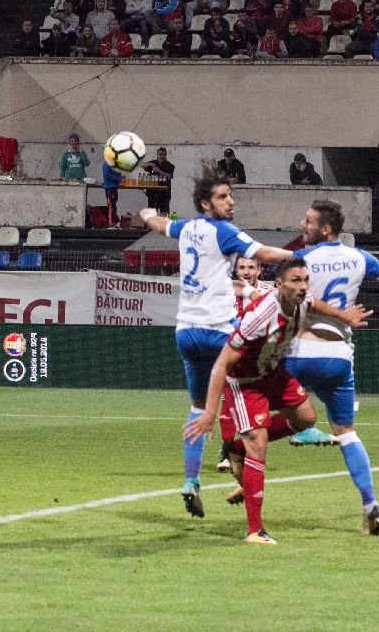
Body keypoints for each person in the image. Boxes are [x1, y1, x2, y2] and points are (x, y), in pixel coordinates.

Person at [137, 166, 298, 518]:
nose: (231, 202)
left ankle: (191, 481)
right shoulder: (223, 231)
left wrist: (147, 214)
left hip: (186, 332)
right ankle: (286, 427)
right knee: (266, 373)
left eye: (231, 195)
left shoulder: (187, 228)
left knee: (198, 409)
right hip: (219, 331)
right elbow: (265, 254)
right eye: (223, 197)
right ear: (205, 204)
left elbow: (162, 225)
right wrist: (302, 256)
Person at [184, 257, 370, 543]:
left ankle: (236, 448)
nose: (303, 286)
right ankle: (254, 530)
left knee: (306, 418)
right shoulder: (260, 316)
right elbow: (221, 363)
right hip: (245, 382)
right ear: (279, 285)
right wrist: (209, 412)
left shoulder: (301, 301)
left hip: (273, 373)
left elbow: (316, 303)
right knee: (258, 446)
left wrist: (344, 316)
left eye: (306, 280)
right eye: (296, 281)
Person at [282, 200, 379, 535]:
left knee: (255, 408)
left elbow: (297, 298)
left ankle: (242, 460)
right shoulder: (358, 257)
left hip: (300, 352)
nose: (302, 224)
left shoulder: (301, 260)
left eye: (308, 221)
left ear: (325, 229)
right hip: (338, 357)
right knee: (346, 432)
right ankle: (369, 503)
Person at [142, 147, 175, 213]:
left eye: (164, 154)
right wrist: (150, 164)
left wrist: (159, 171)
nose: (162, 156)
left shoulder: (170, 166)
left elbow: (169, 176)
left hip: (164, 194)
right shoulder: (154, 163)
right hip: (152, 193)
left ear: (166, 155)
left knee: (164, 214)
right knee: (152, 213)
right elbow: (142, 165)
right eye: (160, 154)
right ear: (157, 155)